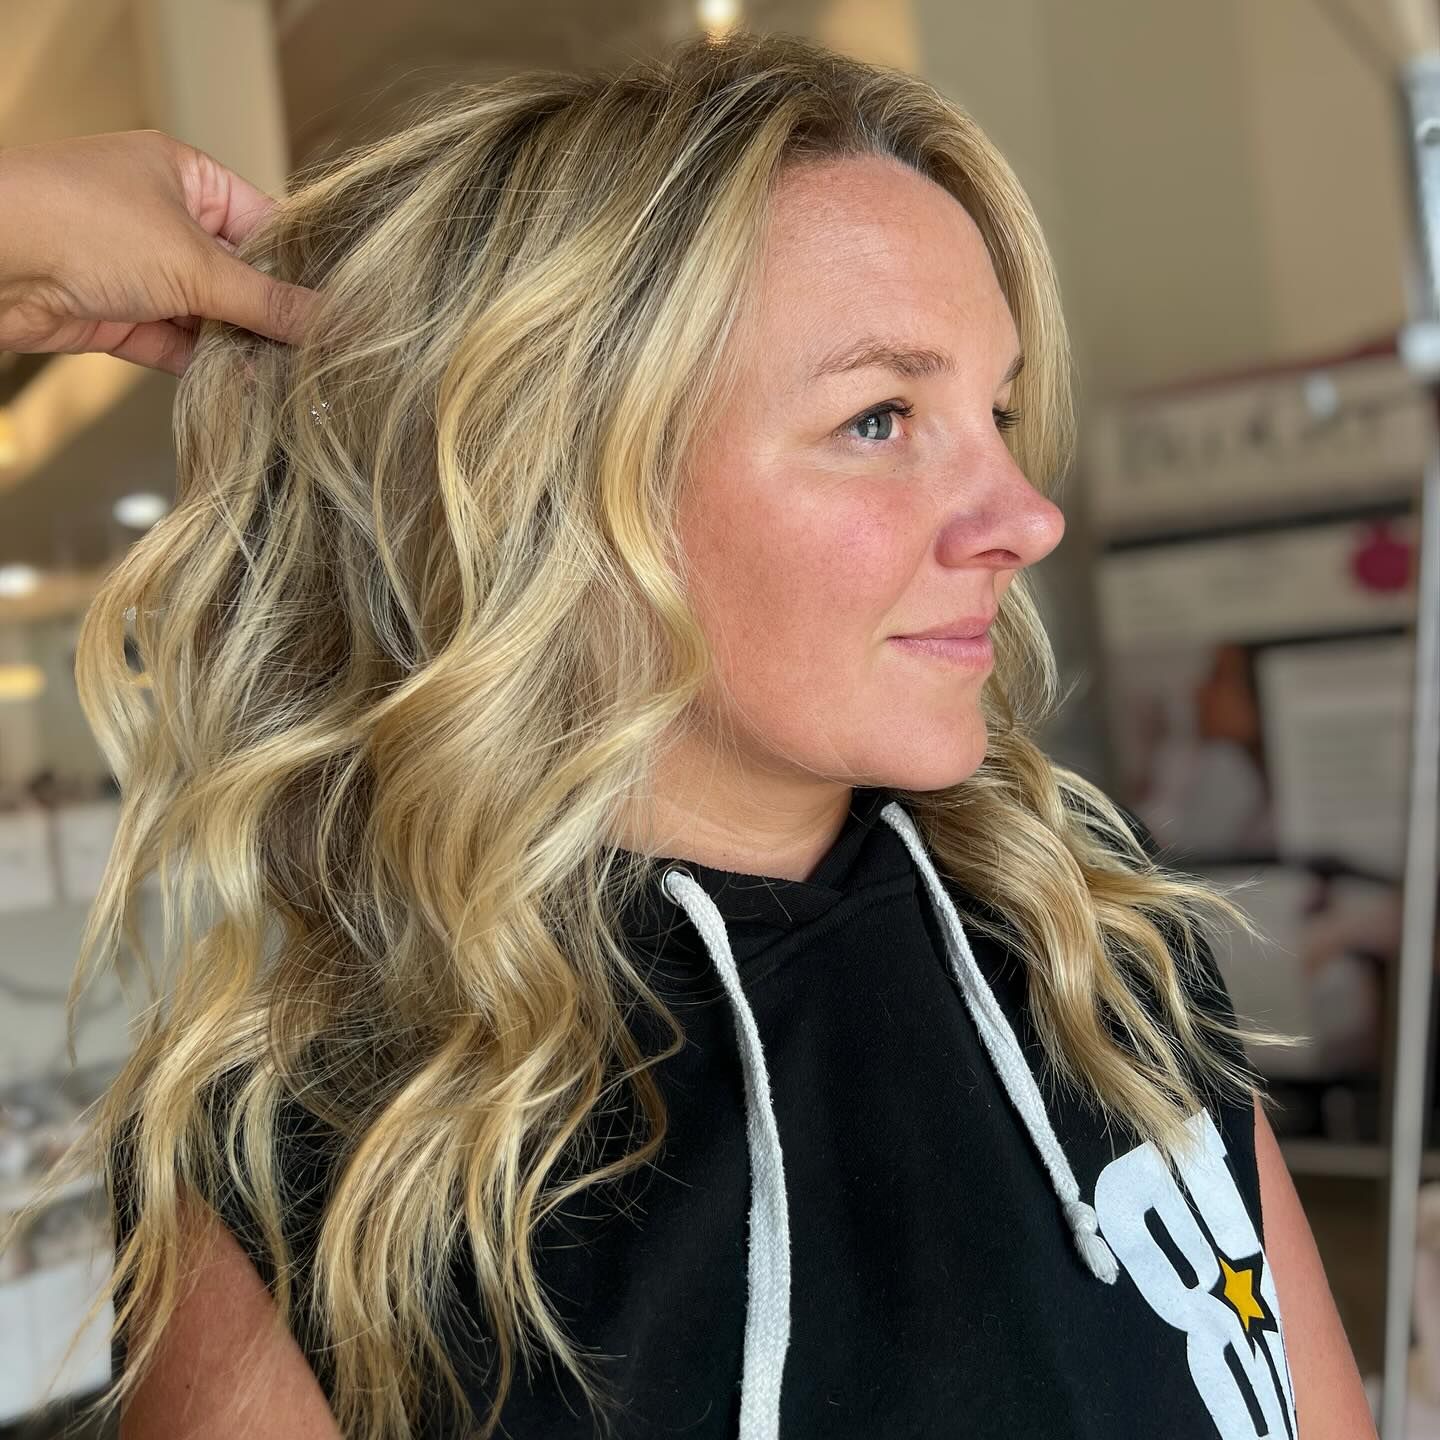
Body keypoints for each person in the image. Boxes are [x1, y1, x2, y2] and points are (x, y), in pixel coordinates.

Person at [0, 30, 1374, 1440]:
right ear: (565, 501)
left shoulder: (1084, 915)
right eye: (882, 417)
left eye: (998, 409)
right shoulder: (337, 1159)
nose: (1026, 516)